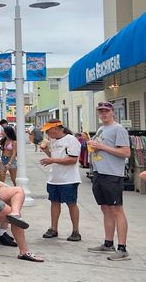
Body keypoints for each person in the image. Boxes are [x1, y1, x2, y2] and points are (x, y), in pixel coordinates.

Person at [86, 101, 131, 261]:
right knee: (105, 208)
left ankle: (122, 248)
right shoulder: (101, 128)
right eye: (100, 111)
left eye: (106, 111)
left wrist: (102, 147)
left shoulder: (118, 129)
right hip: (99, 172)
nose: (103, 114)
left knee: (117, 209)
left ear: (112, 112)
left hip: (112, 174)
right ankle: (108, 242)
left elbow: (126, 152)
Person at [38, 119, 82, 241]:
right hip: (54, 178)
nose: (47, 133)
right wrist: (46, 150)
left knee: (71, 204)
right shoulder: (52, 141)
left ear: (56, 129)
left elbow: (72, 160)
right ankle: (53, 228)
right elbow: (54, 156)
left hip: (69, 179)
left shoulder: (71, 140)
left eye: (48, 130)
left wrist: (52, 161)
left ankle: (75, 231)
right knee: (54, 202)